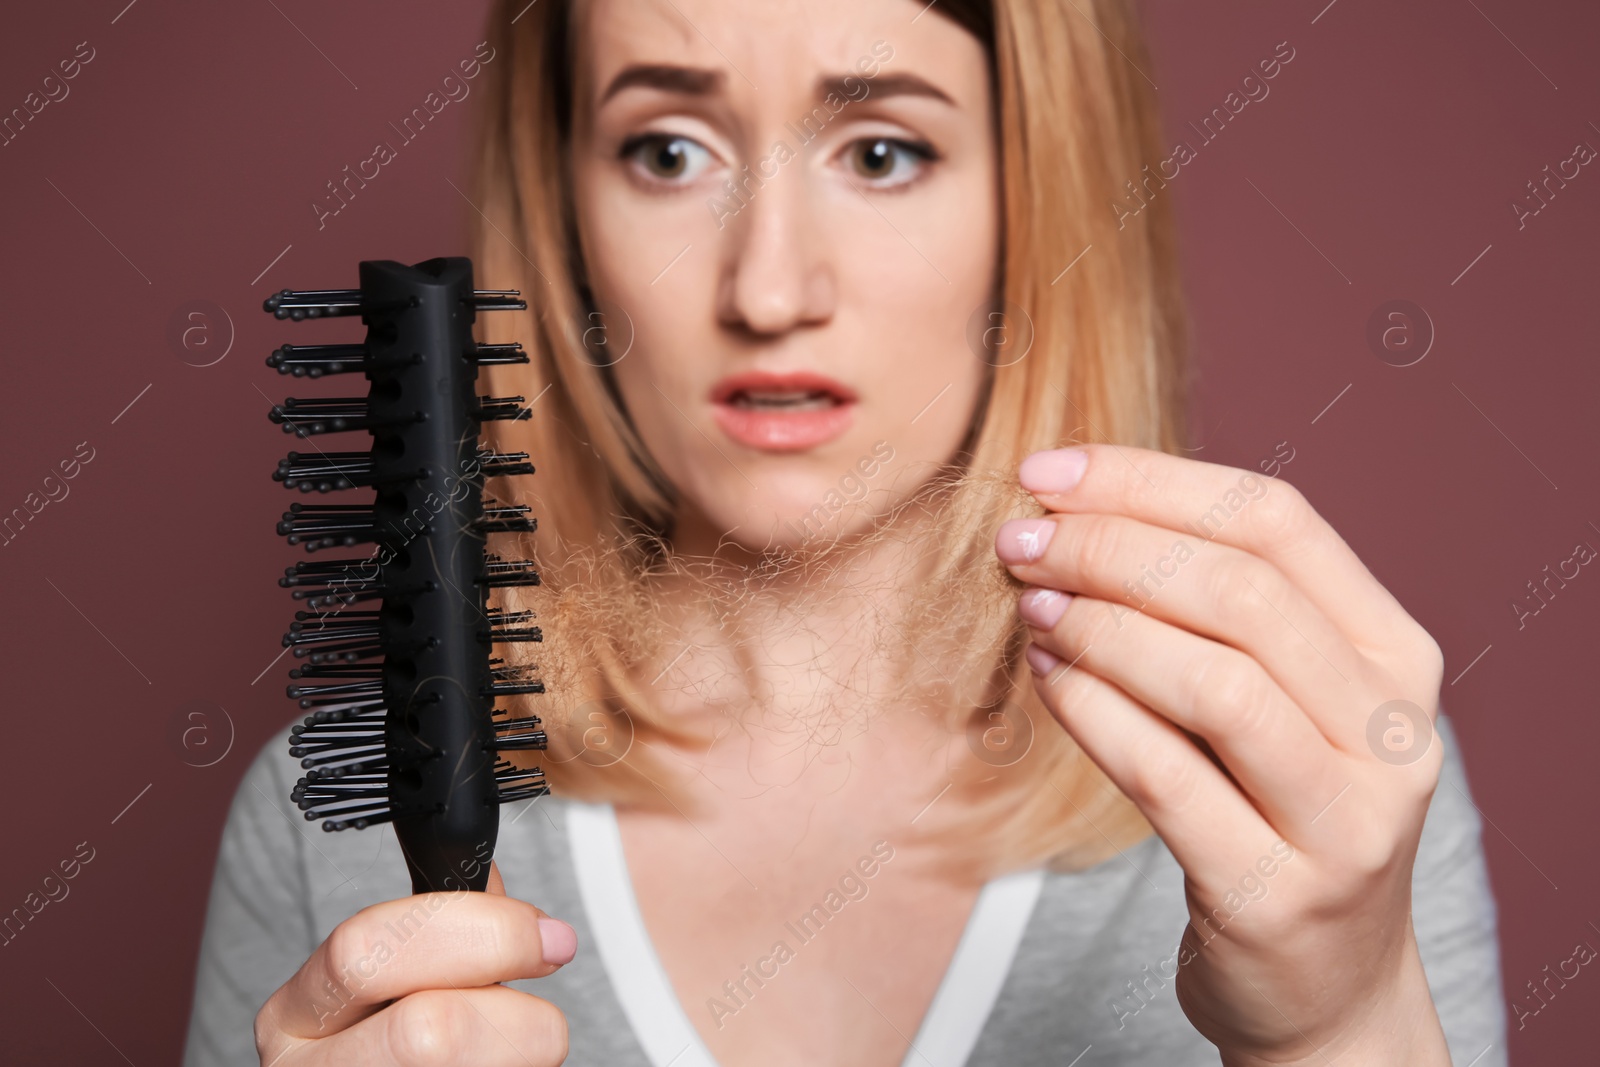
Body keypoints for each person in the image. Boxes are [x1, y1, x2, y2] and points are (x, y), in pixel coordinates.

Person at [184, 0, 1506, 1063]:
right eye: (667, 150)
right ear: (566, 206)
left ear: (1033, 197)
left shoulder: (1312, 792)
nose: (768, 286)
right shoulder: (327, 837)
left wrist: (1340, 1031)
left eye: (880, 152)